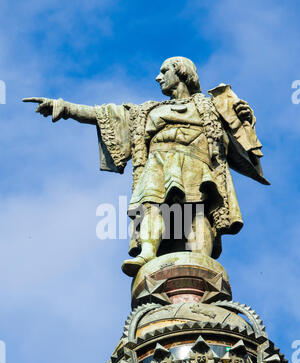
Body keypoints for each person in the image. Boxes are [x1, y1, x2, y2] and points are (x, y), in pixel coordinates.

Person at [23, 57, 269, 277]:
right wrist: (64, 108)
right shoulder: (148, 110)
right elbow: (105, 114)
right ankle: (147, 252)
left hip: (196, 161)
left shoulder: (210, 107)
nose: (158, 77)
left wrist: (244, 118)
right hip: (158, 162)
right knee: (151, 206)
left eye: (164, 71)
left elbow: (243, 143)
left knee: (196, 212)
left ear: (181, 72)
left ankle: (200, 262)